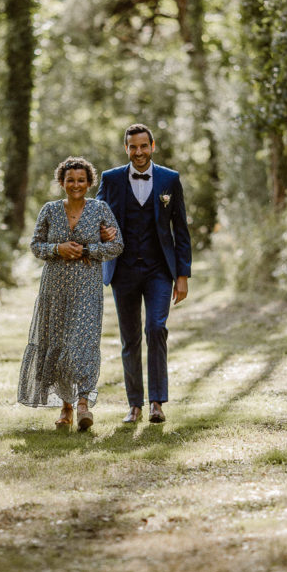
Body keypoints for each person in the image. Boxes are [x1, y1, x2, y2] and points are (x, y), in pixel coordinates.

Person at [17, 157, 124, 430]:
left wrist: (88, 250)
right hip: (55, 287)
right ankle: (66, 408)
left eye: (81, 180)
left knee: (83, 343)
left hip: (87, 287)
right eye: (70, 180)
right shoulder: (50, 210)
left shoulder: (100, 209)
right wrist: (57, 249)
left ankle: (84, 403)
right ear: (61, 182)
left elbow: (117, 246)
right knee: (60, 344)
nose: (75, 185)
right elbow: (36, 245)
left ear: (89, 182)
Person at [96, 124, 192, 424]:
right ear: (126, 149)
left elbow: (181, 230)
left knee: (156, 329)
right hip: (122, 270)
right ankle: (134, 404)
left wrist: (183, 275)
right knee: (130, 338)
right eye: (132, 147)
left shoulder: (169, 179)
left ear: (153, 145)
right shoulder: (110, 179)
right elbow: (94, 217)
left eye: (143, 146)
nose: (138, 152)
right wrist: (100, 233)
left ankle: (157, 403)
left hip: (158, 270)